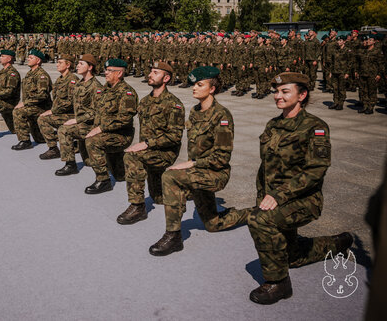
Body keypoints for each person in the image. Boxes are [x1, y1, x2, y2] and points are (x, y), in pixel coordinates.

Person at [246, 72, 353, 304]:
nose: (278, 96)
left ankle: (279, 283)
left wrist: (277, 195)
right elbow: (266, 168)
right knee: (292, 256)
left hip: (303, 200)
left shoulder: (315, 127)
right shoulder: (273, 124)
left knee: (258, 220)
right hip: (275, 200)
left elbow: (316, 170)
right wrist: (263, 196)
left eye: (285, 91)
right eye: (276, 91)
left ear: (302, 95)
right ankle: (339, 243)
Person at [149, 66, 246, 256]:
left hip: (215, 173)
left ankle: (173, 236)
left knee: (170, 177)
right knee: (213, 225)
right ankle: (252, 214)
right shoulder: (194, 111)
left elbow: (222, 157)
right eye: (194, 84)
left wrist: (191, 164)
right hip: (200, 172)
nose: (194, 88)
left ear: (212, 89)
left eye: (200, 84)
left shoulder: (222, 116)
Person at [117, 61, 185, 224]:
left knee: (132, 157)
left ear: (166, 78)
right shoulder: (145, 101)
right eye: (151, 72)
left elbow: (175, 136)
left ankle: (138, 207)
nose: (150, 75)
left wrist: (147, 144)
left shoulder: (173, 104)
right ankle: (177, 190)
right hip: (150, 150)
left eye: (155, 72)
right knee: (159, 197)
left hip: (165, 152)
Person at [83, 58, 137, 194]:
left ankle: (103, 180)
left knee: (92, 142)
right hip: (107, 132)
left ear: (119, 74)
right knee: (120, 175)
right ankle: (118, 170)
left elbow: (125, 119)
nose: (105, 73)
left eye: (109, 71)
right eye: (106, 70)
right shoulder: (104, 89)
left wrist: (100, 128)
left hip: (121, 135)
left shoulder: (127, 93)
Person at [55, 54, 103, 176]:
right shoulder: (79, 84)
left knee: (64, 130)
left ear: (90, 67)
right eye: (78, 63)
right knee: (88, 161)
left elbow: (96, 112)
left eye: (81, 64)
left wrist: (76, 120)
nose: (77, 66)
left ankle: (70, 165)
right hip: (82, 123)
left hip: (90, 125)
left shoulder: (96, 87)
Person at [37, 54, 78, 160]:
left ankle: (55, 148)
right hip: (61, 113)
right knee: (42, 117)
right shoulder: (60, 79)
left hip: (71, 115)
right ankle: (54, 148)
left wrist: (52, 111)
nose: (57, 65)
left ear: (68, 65)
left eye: (60, 63)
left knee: (43, 119)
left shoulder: (73, 80)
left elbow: (71, 101)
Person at [11, 49, 52, 149]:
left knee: (18, 112)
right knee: (40, 139)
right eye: (28, 57)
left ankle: (25, 141)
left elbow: (42, 95)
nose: (28, 59)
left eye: (31, 58)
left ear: (38, 61)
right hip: (33, 106)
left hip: (41, 107)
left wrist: (25, 103)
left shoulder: (42, 75)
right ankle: (45, 136)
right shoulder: (30, 73)